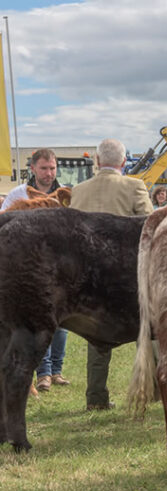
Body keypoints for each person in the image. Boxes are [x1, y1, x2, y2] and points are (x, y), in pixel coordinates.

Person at [69, 138, 154, 411]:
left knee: (97, 335)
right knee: (148, 329)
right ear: (124, 162)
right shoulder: (134, 186)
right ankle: (156, 391)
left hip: (90, 276)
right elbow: (150, 223)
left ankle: (96, 397)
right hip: (128, 272)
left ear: (96, 161)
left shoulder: (78, 191)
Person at [0, 149, 72, 394]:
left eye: (52, 168)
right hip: (26, 270)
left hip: (58, 268)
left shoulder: (65, 194)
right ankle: (40, 375)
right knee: (32, 323)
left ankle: (55, 370)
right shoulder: (18, 194)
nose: (49, 173)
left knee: (61, 322)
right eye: (44, 168)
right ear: (32, 168)